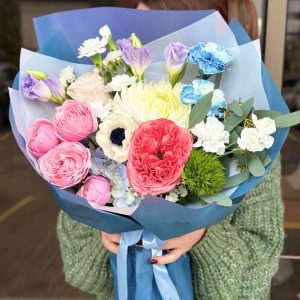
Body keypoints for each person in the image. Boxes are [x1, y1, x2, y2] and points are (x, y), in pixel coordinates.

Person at [57, 1, 284, 299]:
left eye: (157, 23)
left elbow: (255, 275)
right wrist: (103, 225)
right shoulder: (108, 119)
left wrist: (202, 236)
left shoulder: (250, 133)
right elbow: (80, 272)